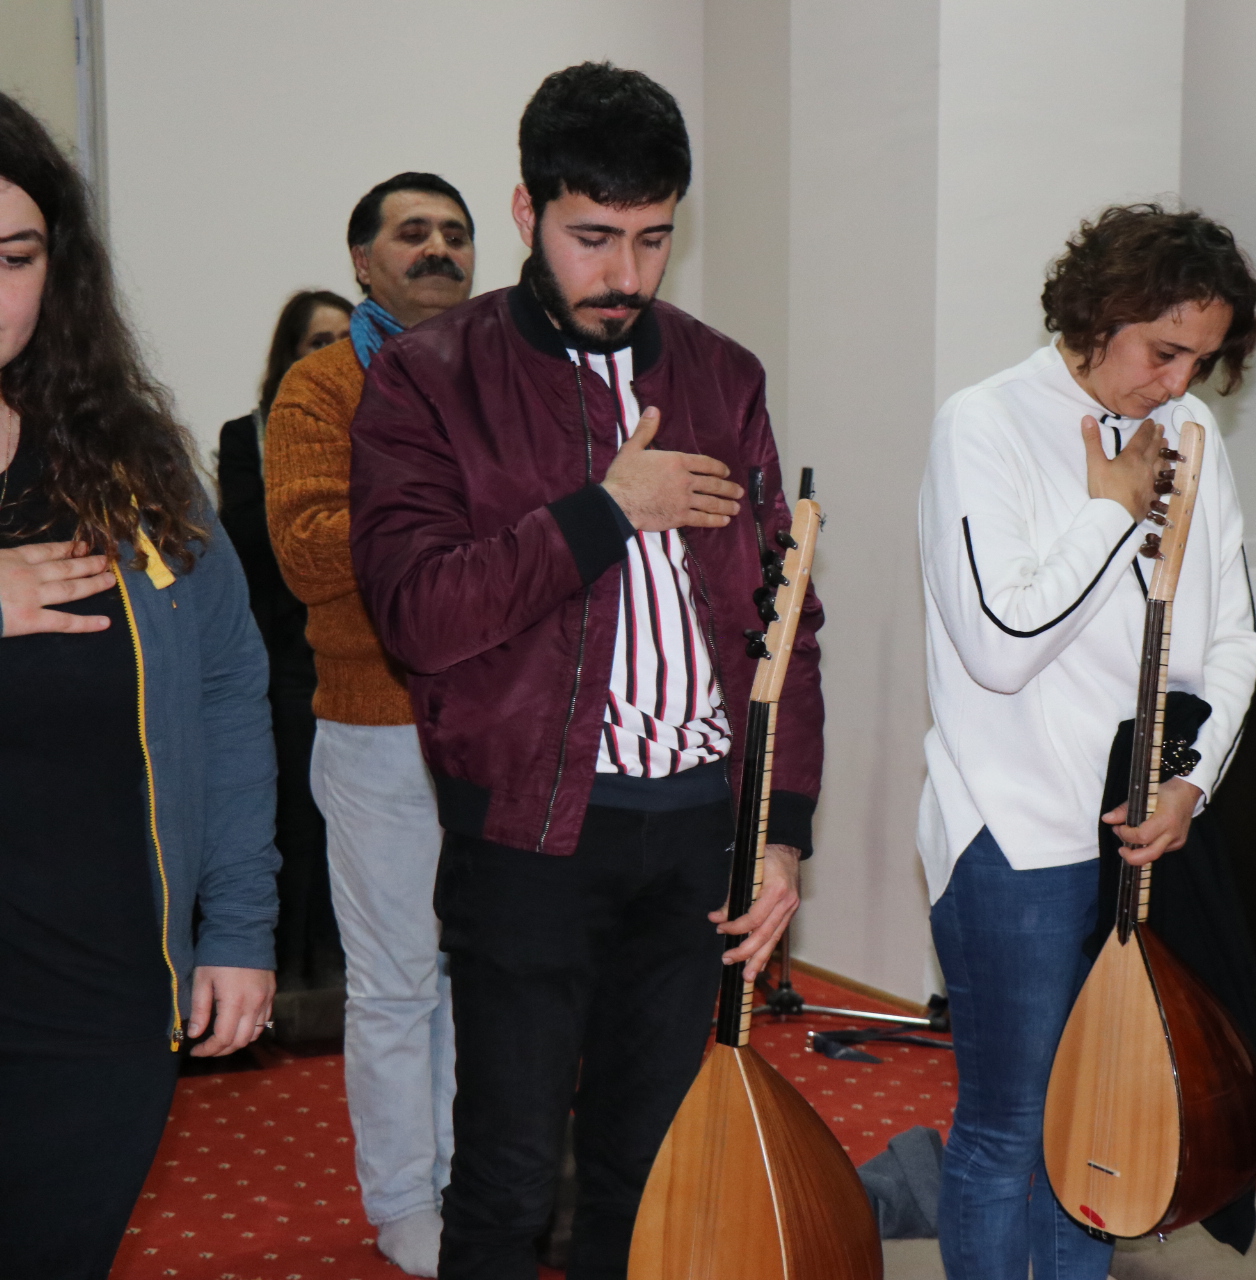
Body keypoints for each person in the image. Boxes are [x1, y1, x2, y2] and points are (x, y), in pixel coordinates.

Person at [348, 63, 822, 1280]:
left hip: (698, 830)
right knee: (507, 1178)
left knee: (647, 1168)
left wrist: (780, 828)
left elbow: (787, 618)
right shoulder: (427, 376)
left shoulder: (722, 375)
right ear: (528, 213)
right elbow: (416, 614)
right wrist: (605, 510)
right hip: (529, 833)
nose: (625, 273)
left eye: (653, 238)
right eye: (593, 237)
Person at [918, 203, 1256, 1280]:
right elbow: (1000, 645)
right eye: (1162, 350)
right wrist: (1112, 510)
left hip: (1140, 828)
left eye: (1202, 360)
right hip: (1013, 831)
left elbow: (1232, 633)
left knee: (1100, 1128)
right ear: (1098, 313)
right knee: (1011, 1128)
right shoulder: (984, 422)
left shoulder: (1195, 434)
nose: (1179, 381)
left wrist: (1192, 784)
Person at [0, 91, 279, 1279]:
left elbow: (226, 684)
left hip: (99, 989)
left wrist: (240, 925)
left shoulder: (124, 458)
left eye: (14, 257)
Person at [265, 175, 475, 1275]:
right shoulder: (321, 385)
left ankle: (469, 1179)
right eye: (412, 232)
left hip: (501, 722)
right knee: (397, 981)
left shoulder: (507, 371)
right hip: (377, 720)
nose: (438, 248)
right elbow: (309, 551)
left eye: (455, 233)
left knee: (484, 974)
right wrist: (456, 516)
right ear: (362, 260)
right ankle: (404, 1201)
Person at [219, 289, 354, 1020]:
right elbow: (253, 544)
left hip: (353, 655)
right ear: (289, 355)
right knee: (293, 818)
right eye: (316, 341)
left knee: (346, 824)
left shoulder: (380, 426)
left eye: (343, 339)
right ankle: (290, 967)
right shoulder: (249, 436)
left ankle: (331, 962)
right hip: (282, 658)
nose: (331, 353)